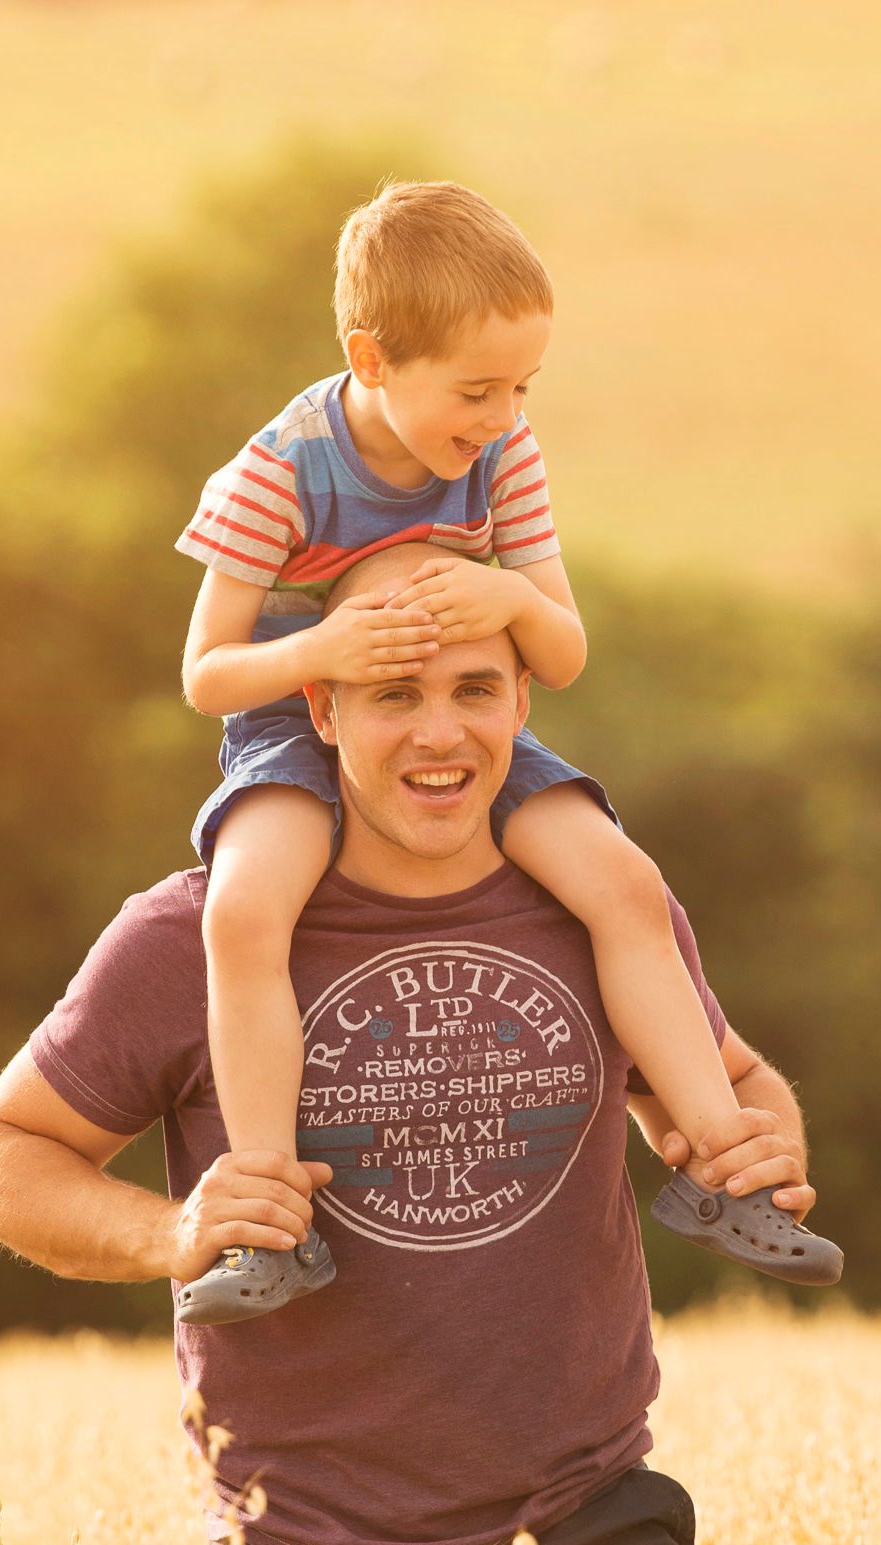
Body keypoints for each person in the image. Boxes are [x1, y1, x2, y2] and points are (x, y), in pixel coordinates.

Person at [0, 541, 820, 1545]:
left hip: (590, 1531)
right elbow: (0, 1158)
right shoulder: (195, 935)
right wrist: (173, 1235)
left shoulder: (599, 905)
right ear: (319, 704)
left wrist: (762, 1136)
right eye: (394, 694)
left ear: (524, 696)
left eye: (474, 689)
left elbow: (734, 1083)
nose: (440, 734)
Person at [165, 178, 834, 1320]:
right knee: (242, 912)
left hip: (469, 708)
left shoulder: (505, 458)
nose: (505, 415)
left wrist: (495, 591)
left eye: (523, 385)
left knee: (622, 881)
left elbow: (561, 651)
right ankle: (271, 1219)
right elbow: (206, 673)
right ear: (371, 361)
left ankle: (723, 1166)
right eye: (477, 390)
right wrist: (329, 644)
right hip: (296, 713)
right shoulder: (278, 471)